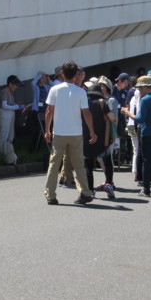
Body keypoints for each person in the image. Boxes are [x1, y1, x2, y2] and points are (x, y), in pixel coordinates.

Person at [43, 61, 96, 205]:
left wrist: (47, 130)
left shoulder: (55, 89)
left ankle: (51, 194)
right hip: (76, 133)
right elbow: (86, 113)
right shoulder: (81, 91)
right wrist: (92, 132)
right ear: (76, 75)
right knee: (78, 163)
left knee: (54, 164)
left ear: (62, 74)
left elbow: (49, 111)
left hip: (59, 132)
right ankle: (85, 192)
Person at [122, 76, 151, 198]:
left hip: (147, 133)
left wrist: (127, 112)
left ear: (144, 87)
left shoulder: (145, 99)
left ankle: (146, 190)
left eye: (139, 88)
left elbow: (140, 119)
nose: (139, 90)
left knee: (147, 162)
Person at [82, 84, 117, 199]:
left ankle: (91, 190)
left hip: (86, 138)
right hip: (103, 139)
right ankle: (109, 184)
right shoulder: (102, 103)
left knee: (88, 165)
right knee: (107, 161)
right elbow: (112, 118)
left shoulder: (83, 103)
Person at [0, 75, 25, 144]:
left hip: (10, 113)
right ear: (10, 84)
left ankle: (8, 151)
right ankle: (1, 151)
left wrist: (18, 105)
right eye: (15, 85)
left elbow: (10, 104)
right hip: (5, 113)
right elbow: (4, 106)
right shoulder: (5, 91)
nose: (16, 87)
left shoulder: (11, 92)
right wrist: (17, 107)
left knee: (10, 134)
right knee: (4, 134)